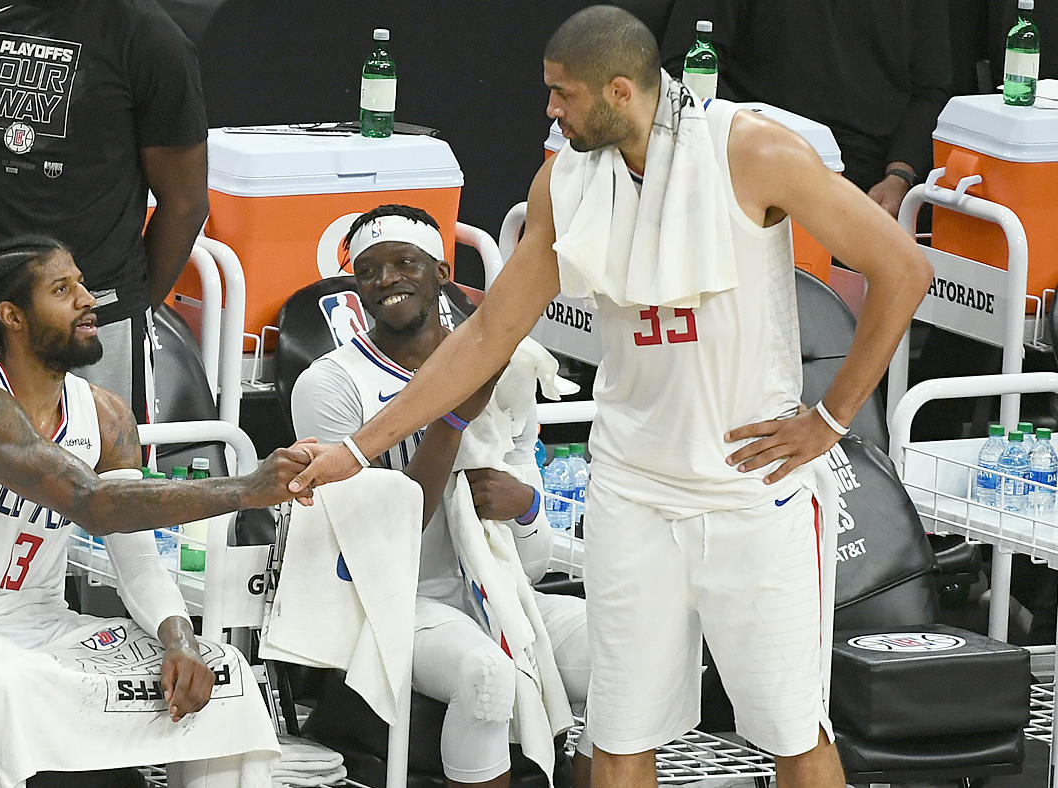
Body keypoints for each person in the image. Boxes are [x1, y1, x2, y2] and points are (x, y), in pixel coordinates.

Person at [289, 7, 932, 788]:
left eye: (561, 95)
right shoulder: (563, 180)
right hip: (633, 487)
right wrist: (357, 447)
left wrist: (829, 420)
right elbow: (489, 331)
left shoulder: (753, 150)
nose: (549, 111)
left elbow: (904, 269)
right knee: (620, 736)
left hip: (749, 488)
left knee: (794, 734)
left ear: (619, 91)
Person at [0, 235, 311, 787]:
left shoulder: (105, 414)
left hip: (47, 628)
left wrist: (180, 640)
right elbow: (93, 505)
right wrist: (245, 489)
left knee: (222, 672)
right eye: (62, 289)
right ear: (13, 316)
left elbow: (138, 562)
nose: (87, 299)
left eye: (81, 283)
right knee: (8, 685)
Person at [290, 205, 591, 788]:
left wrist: (526, 509)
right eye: (369, 270)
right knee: (486, 675)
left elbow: (528, 565)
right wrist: (450, 421)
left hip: (499, 594)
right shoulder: (330, 384)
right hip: (393, 603)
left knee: (622, 642)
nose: (386, 280)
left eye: (405, 263)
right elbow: (382, 554)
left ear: (442, 272)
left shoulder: (506, 370)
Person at [0, 0, 210, 426]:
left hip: (93, 322)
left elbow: (185, 205)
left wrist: (120, 308)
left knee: (102, 485)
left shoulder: (148, 35)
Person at [660, 0, 951, 218]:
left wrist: (899, 177)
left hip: (864, 183)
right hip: (752, 163)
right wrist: (748, 146)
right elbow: (686, 65)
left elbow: (930, 90)